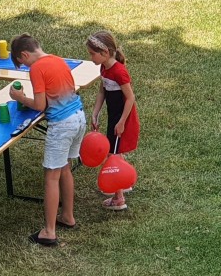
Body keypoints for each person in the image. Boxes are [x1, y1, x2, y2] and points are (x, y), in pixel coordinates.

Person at [9, 34, 86, 246]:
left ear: (24, 54)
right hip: (79, 117)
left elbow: (40, 105)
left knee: (51, 176)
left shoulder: (36, 69)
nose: (25, 67)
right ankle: (67, 216)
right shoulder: (58, 60)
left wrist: (20, 98)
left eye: (22, 63)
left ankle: (49, 232)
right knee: (65, 169)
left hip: (62, 125)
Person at [86, 30, 139, 210]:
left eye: (93, 54)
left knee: (112, 155)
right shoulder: (104, 68)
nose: (91, 57)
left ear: (105, 53)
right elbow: (102, 91)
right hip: (113, 116)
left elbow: (130, 98)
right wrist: (95, 112)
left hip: (120, 118)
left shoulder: (119, 72)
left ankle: (118, 199)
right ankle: (124, 182)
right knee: (116, 150)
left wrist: (122, 122)